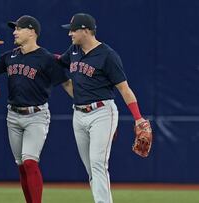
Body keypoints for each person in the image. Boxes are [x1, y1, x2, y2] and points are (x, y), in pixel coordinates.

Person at [0, 15, 73, 203]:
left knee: (30, 162)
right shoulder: (11, 56)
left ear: (32, 32)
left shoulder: (46, 58)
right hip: (13, 116)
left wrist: (86, 104)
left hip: (36, 116)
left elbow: (66, 84)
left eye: (19, 28)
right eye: (14, 29)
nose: (14, 32)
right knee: (22, 166)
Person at [58, 13, 146, 203]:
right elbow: (58, 62)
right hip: (78, 114)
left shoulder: (107, 55)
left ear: (86, 30)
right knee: (91, 168)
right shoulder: (74, 50)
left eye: (73, 30)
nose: (70, 34)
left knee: (98, 163)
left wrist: (138, 118)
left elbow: (124, 89)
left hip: (102, 113)